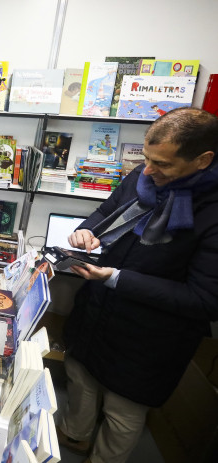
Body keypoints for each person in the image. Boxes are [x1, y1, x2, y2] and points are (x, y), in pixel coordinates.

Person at [57, 107, 218, 463]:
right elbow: (106, 211)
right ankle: (75, 437)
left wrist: (116, 278)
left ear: (203, 160)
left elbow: (206, 300)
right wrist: (87, 230)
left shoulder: (212, 210)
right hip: (98, 309)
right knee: (80, 377)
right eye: (146, 158)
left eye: (162, 164)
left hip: (151, 335)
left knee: (123, 411)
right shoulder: (143, 176)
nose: (148, 170)